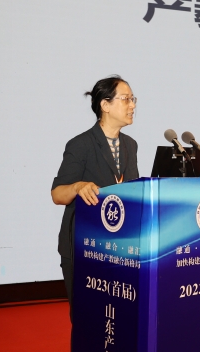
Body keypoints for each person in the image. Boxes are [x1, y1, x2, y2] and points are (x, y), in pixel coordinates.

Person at [51, 75, 140, 317]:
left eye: (133, 99)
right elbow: (57, 194)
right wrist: (78, 186)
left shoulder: (130, 145)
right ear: (105, 105)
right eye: (126, 99)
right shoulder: (81, 144)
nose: (132, 105)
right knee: (87, 319)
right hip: (84, 248)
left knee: (116, 319)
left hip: (118, 249)